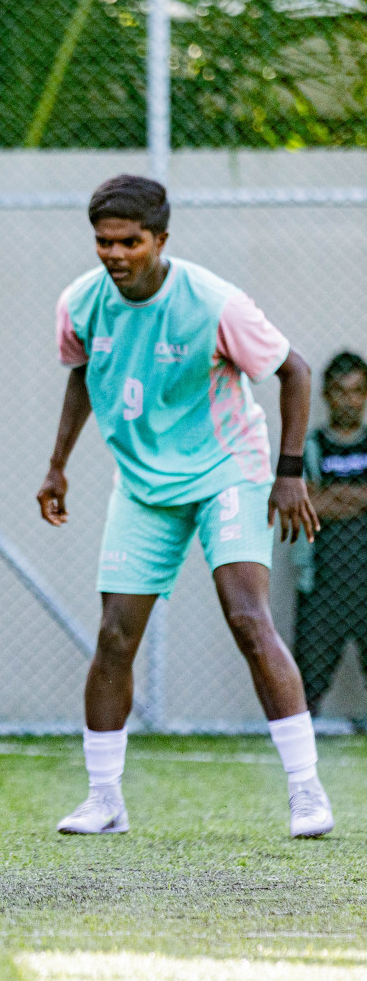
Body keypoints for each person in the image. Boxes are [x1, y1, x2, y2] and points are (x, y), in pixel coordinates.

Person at [38, 174, 330, 839]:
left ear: (160, 240)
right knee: (114, 635)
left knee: (248, 619)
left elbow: (295, 370)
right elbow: (82, 374)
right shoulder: (80, 303)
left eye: (130, 242)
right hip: (143, 483)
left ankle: (307, 791)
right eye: (104, 242)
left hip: (228, 470)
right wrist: (57, 465)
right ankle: (104, 798)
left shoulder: (214, 302)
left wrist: (289, 474)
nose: (114, 254)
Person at [293, 351, 367, 716]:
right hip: (322, 586)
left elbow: (319, 499)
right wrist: (360, 497)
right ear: (326, 394)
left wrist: (329, 495)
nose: (349, 401)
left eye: (357, 391)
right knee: (305, 692)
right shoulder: (308, 446)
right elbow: (302, 502)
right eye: (340, 391)